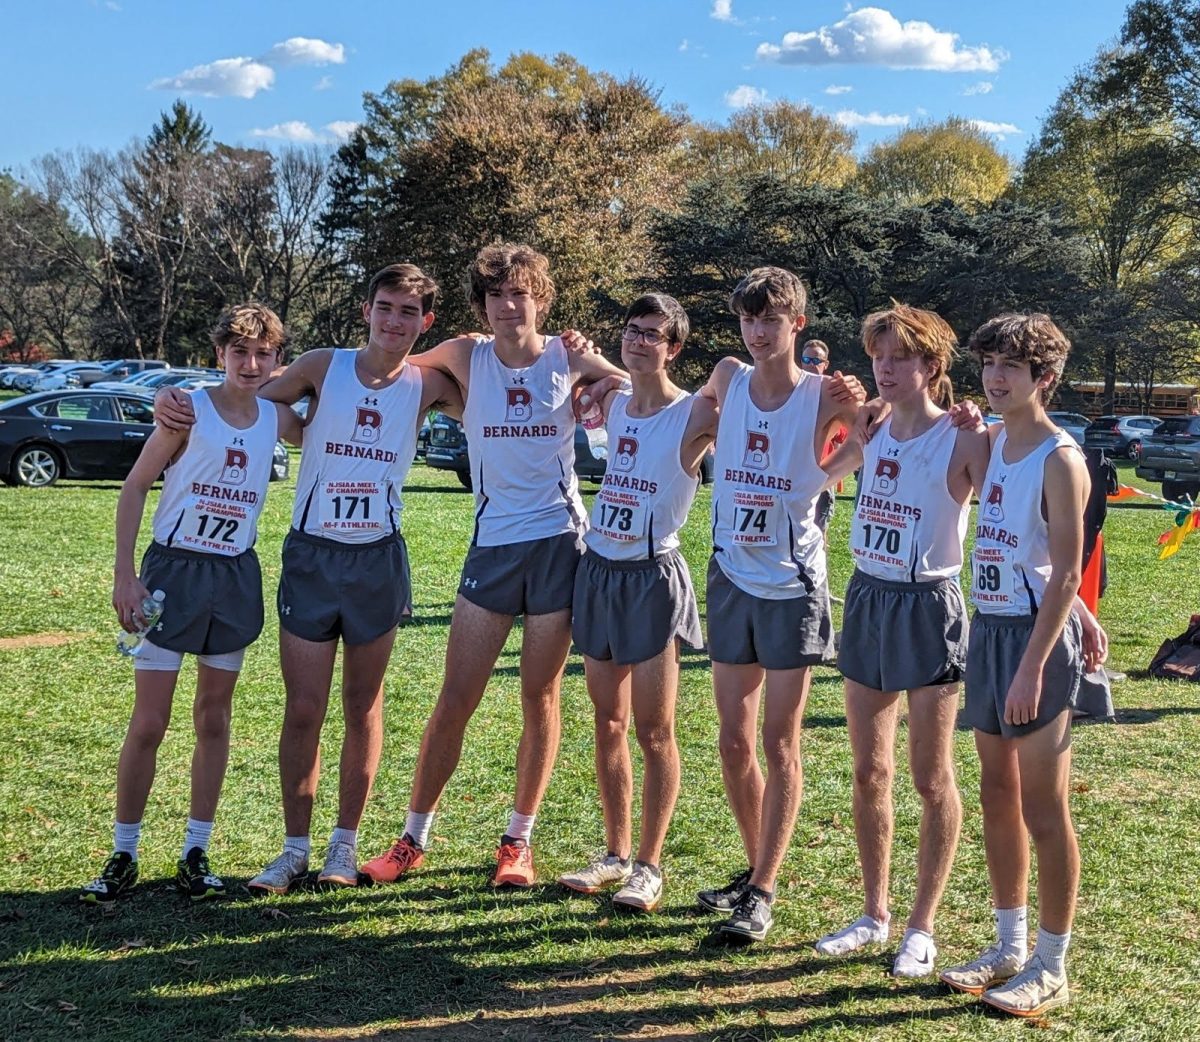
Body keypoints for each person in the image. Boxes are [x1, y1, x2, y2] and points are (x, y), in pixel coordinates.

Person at [154, 264, 462, 894]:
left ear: (425, 321)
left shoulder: (428, 383)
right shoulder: (324, 366)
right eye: (385, 306)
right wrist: (176, 399)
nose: (394, 320)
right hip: (312, 558)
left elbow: (505, 401)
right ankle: (294, 849)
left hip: (377, 560)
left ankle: (342, 848)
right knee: (303, 709)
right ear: (366, 309)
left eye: (409, 311)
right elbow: (242, 398)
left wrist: (584, 373)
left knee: (362, 706)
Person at [361, 243, 626, 888]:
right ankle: (411, 838)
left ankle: (518, 841)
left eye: (524, 293)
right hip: (494, 548)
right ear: (483, 304)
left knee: (540, 694)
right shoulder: (464, 354)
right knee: (457, 697)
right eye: (499, 295)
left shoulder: (568, 355)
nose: (512, 306)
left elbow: (632, 385)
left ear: (544, 299)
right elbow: (387, 365)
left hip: (561, 545)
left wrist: (600, 378)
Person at [80, 303, 300, 903]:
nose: (251, 364)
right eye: (239, 352)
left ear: (277, 360)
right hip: (172, 572)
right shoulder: (187, 410)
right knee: (149, 720)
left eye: (263, 354)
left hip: (232, 578)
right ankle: (123, 851)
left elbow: (343, 412)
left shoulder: (277, 419)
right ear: (219, 355)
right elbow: (133, 488)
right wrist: (125, 578)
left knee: (213, 718)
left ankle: (195, 850)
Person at [811, 304, 987, 975]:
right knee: (868, 770)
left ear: (932, 368)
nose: (885, 368)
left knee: (929, 774)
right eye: (879, 356)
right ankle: (874, 911)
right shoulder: (873, 422)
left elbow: (1014, 505)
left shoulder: (964, 437)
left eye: (900, 358)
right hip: (868, 596)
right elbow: (818, 471)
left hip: (928, 603)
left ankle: (922, 926)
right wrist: (829, 407)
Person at [939, 313, 1105, 1017]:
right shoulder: (997, 439)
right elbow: (1010, 539)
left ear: (1046, 377)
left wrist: (1036, 665)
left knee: (1045, 806)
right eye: (989, 365)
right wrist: (966, 426)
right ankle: (1008, 945)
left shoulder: (1062, 458)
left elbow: (1067, 572)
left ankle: (1051, 963)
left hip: (1034, 646)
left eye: (1012, 366)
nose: (996, 377)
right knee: (997, 795)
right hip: (992, 631)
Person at [694, 267, 863, 942]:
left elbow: (877, 427)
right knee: (735, 741)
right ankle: (756, 866)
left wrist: (821, 477)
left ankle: (762, 890)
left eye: (772, 320)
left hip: (793, 586)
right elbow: (692, 408)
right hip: (731, 575)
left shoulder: (822, 392)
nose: (759, 332)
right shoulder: (729, 375)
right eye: (749, 319)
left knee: (778, 741)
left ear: (798, 325)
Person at [557, 294, 716, 912]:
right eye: (632, 331)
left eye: (654, 335)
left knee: (654, 730)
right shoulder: (615, 403)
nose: (640, 341)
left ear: (674, 348)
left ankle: (649, 865)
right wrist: (586, 356)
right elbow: (590, 365)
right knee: (609, 722)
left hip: (653, 576)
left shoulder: (695, 413)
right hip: (598, 570)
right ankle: (615, 853)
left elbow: (762, 411)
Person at [799, 339, 847, 540]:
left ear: (826, 364)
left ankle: (820, 570)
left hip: (823, 476)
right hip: (793, 475)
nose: (811, 364)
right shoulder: (792, 389)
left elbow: (844, 436)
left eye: (817, 360)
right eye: (806, 359)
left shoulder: (834, 393)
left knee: (819, 532)